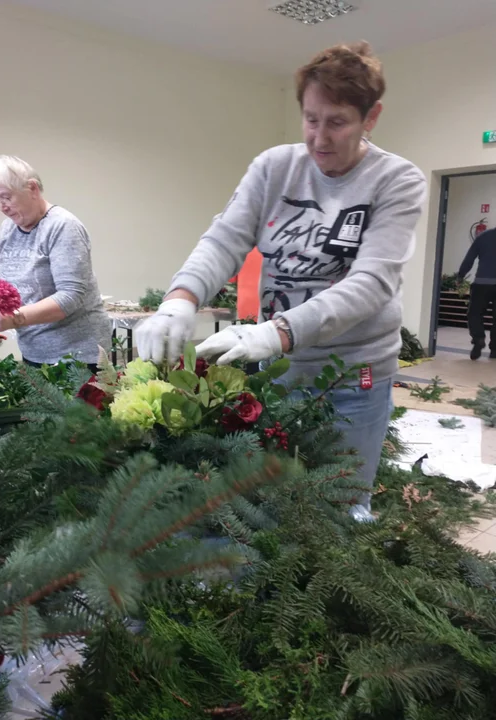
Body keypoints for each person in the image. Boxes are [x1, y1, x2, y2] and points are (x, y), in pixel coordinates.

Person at [136, 42, 427, 518]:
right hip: (279, 369)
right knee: (272, 500)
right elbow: (224, 240)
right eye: (311, 119)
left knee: (342, 505)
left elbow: (371, 282)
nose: (319, 138)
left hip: (354, 371)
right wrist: (179, 301)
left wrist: (278, 332)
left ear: (370, 117)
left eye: (337, 122)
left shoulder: (396, 180)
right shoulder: (274, 167)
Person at [0, 155, 111, 371]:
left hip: (77, 356)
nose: (2, 207)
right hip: (33, 350)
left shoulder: (63, 227)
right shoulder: (7, 229)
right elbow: (3, 286)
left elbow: (70, 296)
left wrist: (13, 319)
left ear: (32, 189)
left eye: (6, 197)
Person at [457, 226, 496, 360]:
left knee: (474, 313)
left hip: (482, 283)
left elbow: (469, 259)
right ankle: (495, 349)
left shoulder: (484, 236)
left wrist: (461, 276)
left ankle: (478, 338)